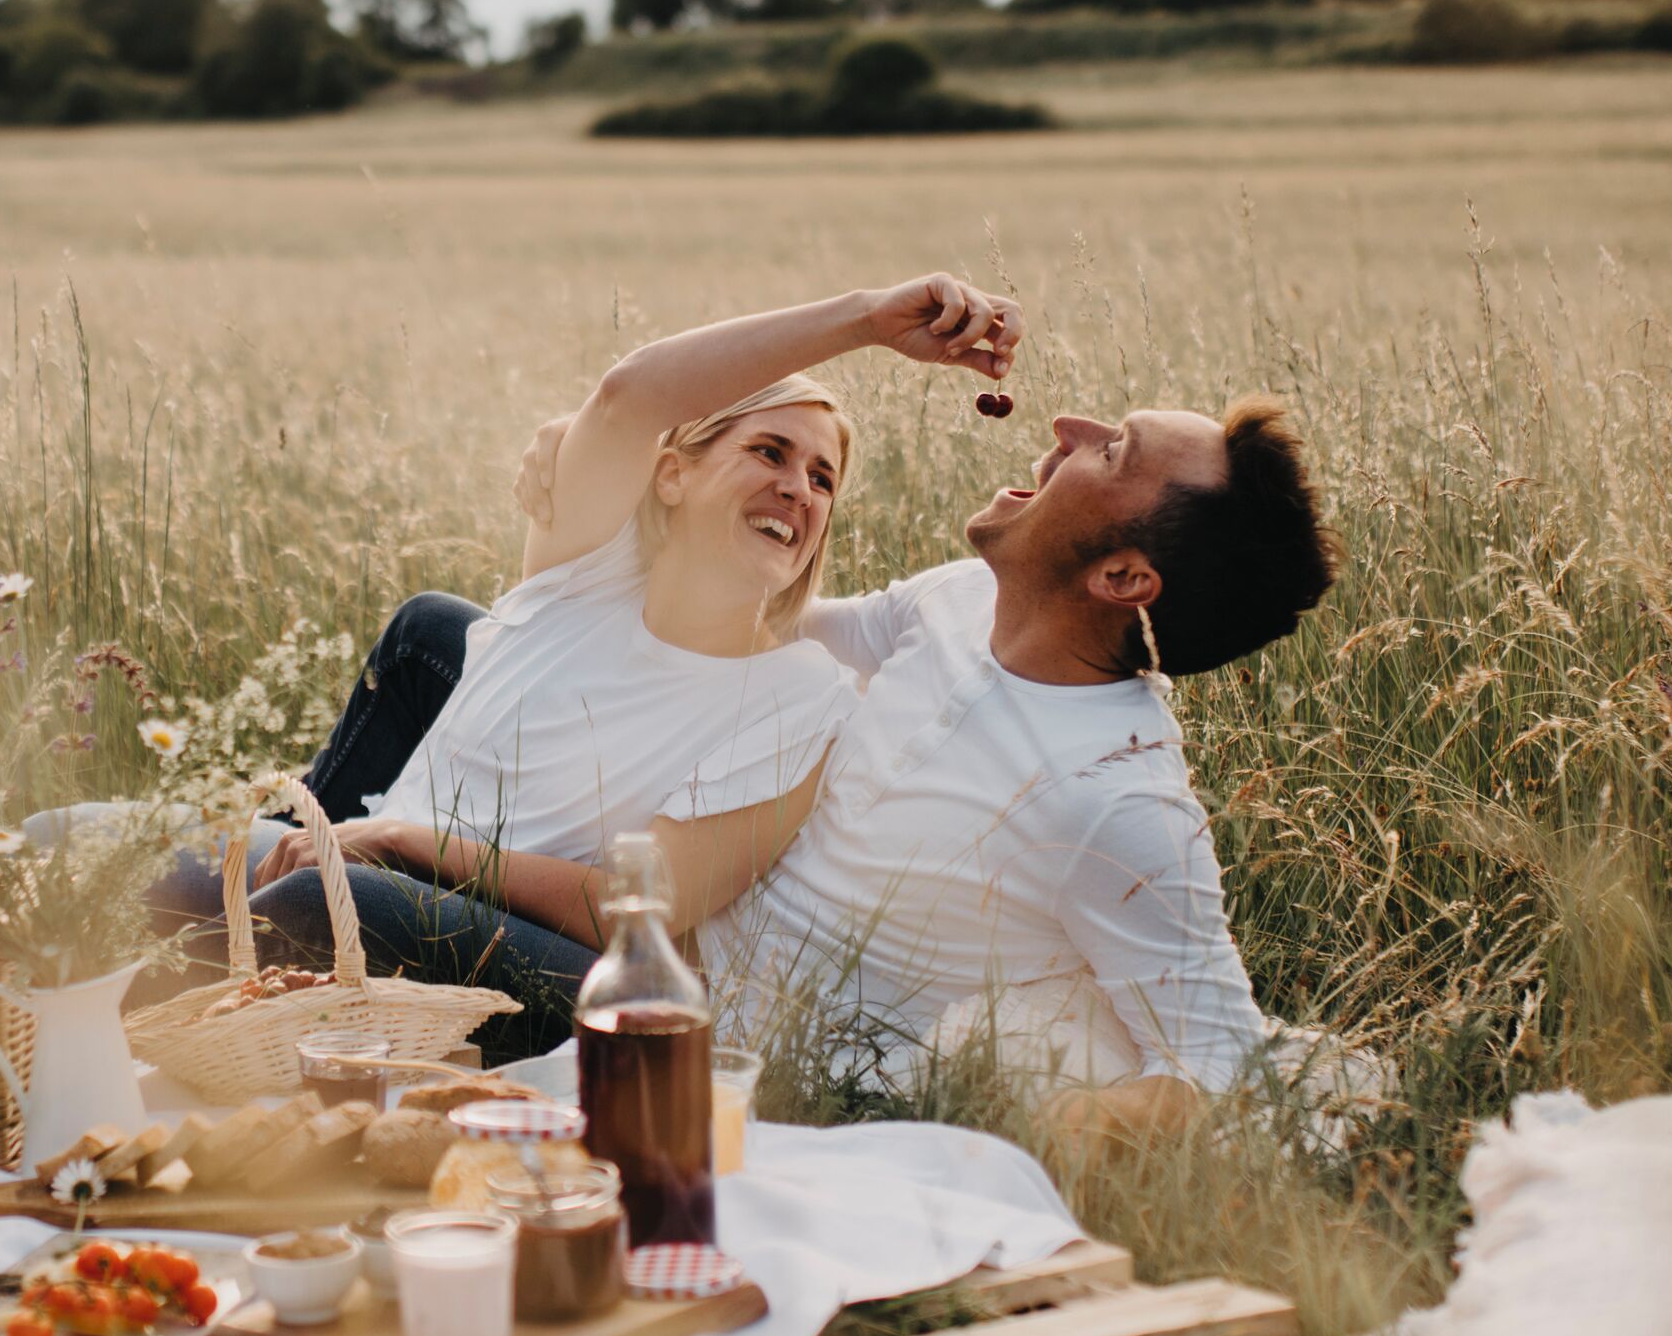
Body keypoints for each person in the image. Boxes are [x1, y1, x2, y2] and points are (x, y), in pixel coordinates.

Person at [149, 274, 1023, 1057]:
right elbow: (628, 398)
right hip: (375, 871)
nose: (800, 487)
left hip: (569, 977)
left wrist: (400, 838)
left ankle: (183, 1008)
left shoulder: (805, 701)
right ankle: (231, 942)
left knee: (311, 908)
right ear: (672, 475)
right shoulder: (587, 573)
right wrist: (868, 319)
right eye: (769, 452)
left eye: (824, 479)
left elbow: (635, 911)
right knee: (102, 851)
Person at [494, 373, 1342, 1149]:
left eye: (1111, 448)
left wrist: (1069, 1115)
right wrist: (606, 466)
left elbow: (1226, 1067)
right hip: (659, 921)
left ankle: (357, 867)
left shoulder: (1116, 798)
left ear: (1122, 577)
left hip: (708, 1040)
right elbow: (746, 627)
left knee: (377, 897)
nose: (1068, 425)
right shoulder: (964, 597)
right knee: (436, 632)